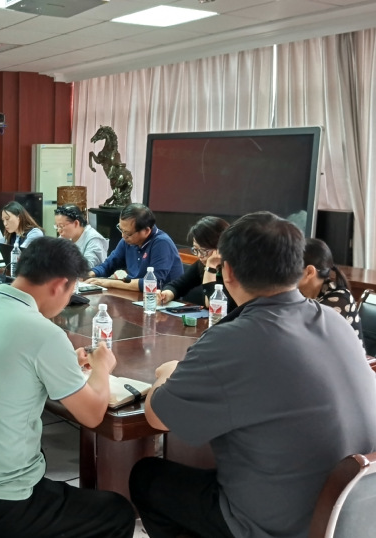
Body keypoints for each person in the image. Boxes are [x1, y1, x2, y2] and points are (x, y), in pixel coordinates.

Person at [129, 212, 376, 538]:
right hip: (355, 515)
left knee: (147, 477)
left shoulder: (235, 338)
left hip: (279, 525)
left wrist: (167, 373)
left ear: (228, 271)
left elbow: (158, 417)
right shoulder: (335, 322)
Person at [0, 237, 136, 538]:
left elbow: (7, 362)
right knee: (117, 512)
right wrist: (102, 368)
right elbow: (93, 414)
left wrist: (64, 362)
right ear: (60, 285)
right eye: (71, 291)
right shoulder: (44, 333)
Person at [85, 203, 182, 292]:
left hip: (161, 299)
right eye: (121, 229)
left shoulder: (161, 243)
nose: (123, 236)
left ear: (146, 231)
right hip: (135, 295)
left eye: (128, 233)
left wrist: (109, 283)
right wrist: (89, 274)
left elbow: (153, 283)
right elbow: (108, 265)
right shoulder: (127, 241)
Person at [158, 216, 236, 310]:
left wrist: (210, 267)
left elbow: (218, 307)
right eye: (196, 249)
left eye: (203, 251)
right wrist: (166, 294)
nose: (199, 255)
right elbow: (178, 285)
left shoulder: (234, 269)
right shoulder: (201, 264)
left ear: (220, 247)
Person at [299, 237, 362, 336]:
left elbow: (306, 336)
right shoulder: (300, 293)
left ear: (310, 272)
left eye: (290, 267)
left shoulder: (338, 300)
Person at [54, 204, 108, 268]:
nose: (59, 230)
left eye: (61, 226)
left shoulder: (94, 239)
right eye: (57, 226)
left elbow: (86, 267)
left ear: (76, 223)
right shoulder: (65, 237)